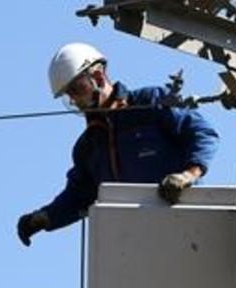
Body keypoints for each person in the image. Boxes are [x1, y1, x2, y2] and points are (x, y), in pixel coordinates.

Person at [16, 42, 220, 246]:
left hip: (185, 228)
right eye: (69, 96)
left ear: (98, 76)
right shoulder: (88, 146)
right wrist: (45, 217)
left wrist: (189, 174)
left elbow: (202, 133)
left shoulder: (149, 104)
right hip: (134, 242)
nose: (76, 100)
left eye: (78, 89)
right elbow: (79, 195)